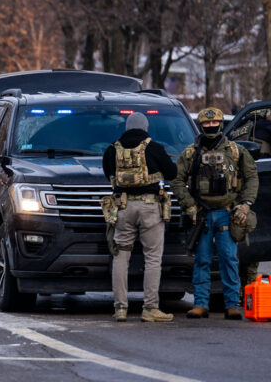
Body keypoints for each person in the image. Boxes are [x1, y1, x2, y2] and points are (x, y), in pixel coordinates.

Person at [171, 107, 259, 320]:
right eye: (206, 124)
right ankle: (201, 304)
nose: (210, 126)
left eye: (214, 123)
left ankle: (231, 304)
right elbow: (177, 180)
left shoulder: (236, 151)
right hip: (201, 214)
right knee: (201, 260)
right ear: (201, 126)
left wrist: (245, 204)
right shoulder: (191, 153)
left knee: (229, 259)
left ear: (220, 124)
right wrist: (189, 205)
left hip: (227, 214)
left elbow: (252, 177)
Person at [101, 112, 177, 322]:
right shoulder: (154, 147)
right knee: (152, 257)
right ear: (145, 127)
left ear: (127, 127)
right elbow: (172, 172)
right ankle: (150, 308)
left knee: (121, 256)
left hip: (123, 207)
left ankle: (120, 308)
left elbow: (107, 173)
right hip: (150, 207)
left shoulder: (112, 149)